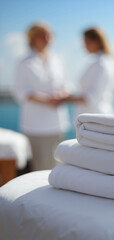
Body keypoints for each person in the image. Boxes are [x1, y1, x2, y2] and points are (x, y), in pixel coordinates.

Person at [13, 23, 70, 171]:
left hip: (57, 123)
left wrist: (62, 93)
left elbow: (66, 84)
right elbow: (20, 92)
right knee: (40, 170)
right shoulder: (24, 62)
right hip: (35, 125)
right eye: (43, 36)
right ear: (32, 38)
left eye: (49, 36)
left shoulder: (57, 60)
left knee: (58, 166)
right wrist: (46, 100)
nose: (47, 39)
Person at [65, 27, 114, 116]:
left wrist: (66, 99)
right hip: (94, 116)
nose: (84, 46)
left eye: (86, 42)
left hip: (96, 117)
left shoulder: (102, 64)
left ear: (96, 41)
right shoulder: (101, 62)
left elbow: (92, 97)